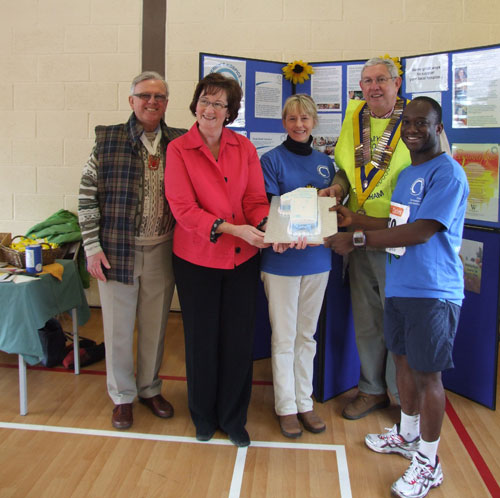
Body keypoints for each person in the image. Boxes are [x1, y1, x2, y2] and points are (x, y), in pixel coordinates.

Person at [325, 97, 469, 498]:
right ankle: (407, 436)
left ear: (439, 127)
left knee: (428, 376)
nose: (412, 129)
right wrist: (356, 218)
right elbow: (395, 223)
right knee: (403, 363)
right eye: (407, 123)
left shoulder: (449, 174)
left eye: (421, 123)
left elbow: (421, 231)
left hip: (434, 291)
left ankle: (429, 462)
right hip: (402, 285)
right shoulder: (410, 174)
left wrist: (355, 238)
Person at [164, 73, 269, 447]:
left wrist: (266, 225)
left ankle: (233, 418)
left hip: (242, 261)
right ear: (195, 105)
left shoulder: (244, 148)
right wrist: (233, 229)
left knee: (238, 343)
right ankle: (204, 417)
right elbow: (183, 209)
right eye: (205, 101)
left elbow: (256, 200)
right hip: (196, 260)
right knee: (202, 341)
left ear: (230, 112)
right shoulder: (178, 150)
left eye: (219, 104)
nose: (210, 109)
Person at [78, 71, 186, 430]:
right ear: (131, 101)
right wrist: (92, 248)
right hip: (116, 250)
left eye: (159, 96)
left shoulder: (180, 142)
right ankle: (122, 396)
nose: (152, 102)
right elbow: (86, 198)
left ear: (167, 103)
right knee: (119, 328)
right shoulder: (107, 141)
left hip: (163, 250)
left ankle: (149, 388)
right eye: (144, 96)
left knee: (155, 326)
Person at [319, 56, 410, 420]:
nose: (374, 87)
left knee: (398, 318)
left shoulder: (415, 118)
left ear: (396, 83)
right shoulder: (354, 117)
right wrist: (337, 187)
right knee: (368, 318)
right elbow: (345, 168)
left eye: (381, 80)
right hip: (356, 233)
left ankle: (403, 397)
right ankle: (371, 389)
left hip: (398, 237)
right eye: (367, 81)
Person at [260, 94, 334, 438]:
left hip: (318, 259)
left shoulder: (326, 164)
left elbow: (329, 212)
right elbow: (270, 209)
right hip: (281, 260)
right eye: (292, 119)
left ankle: (305, 401)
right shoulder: (271, 160)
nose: (299, 125)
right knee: (285, 336)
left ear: (314, 122)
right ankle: (286, 406)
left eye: (305, 118)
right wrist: (288, 233)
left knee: (308, 335)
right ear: (284, 122)